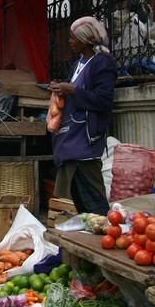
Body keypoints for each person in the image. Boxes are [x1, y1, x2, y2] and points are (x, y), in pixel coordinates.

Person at [49, 16, 117, 216]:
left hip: (85, 138)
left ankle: (104, 230)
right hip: (71, 135)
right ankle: (89, 232)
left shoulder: (102, 63)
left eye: (73, 38)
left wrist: (73, 91)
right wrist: (61, 89)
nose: (70, 41)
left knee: (93, 195)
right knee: (78, 196)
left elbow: (104, 99)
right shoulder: (79, 63)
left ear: (85, 40)